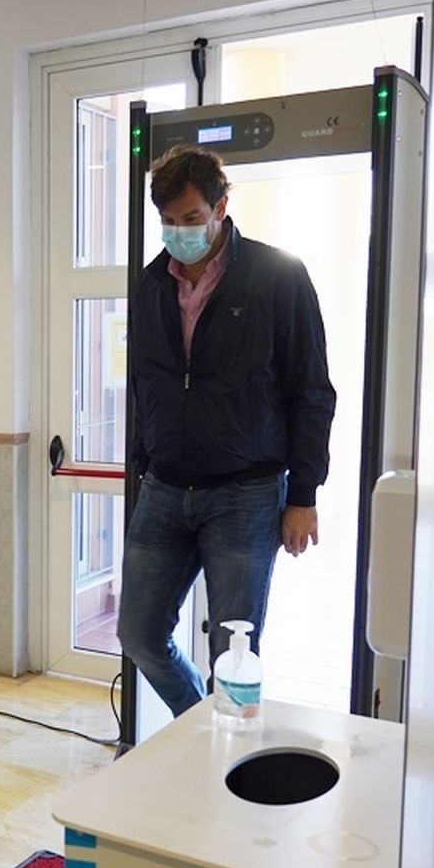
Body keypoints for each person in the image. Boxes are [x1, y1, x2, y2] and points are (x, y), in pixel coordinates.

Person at [117, 144, 335, 719]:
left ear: (221, 206)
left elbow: (312, 391)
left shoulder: (276, 276)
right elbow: (145, 383)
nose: (180, 231)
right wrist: (142, 462)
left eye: (191, 218)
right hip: (164, 489)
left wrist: (304, 496)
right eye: (168, 221)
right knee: (139, 635)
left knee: (232, 651)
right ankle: (200, 729)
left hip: (247, 494)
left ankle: (224, 767)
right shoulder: (148, 287)